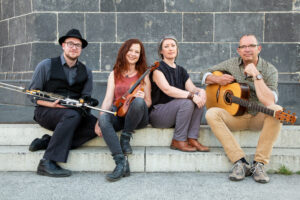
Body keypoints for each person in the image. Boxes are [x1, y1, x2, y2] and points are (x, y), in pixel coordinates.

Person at [203, 34, 282, 183]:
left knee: (277, 109)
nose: (247, 50)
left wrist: (256, 75)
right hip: (235, 117)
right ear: (238, 51)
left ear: (259, 48)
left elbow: (269, 101)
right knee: (211, 113)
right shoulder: (232, 64)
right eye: (243, 47)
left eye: (251, 46)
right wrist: (217, 79)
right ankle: (240, 162)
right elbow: (204, 74)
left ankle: (259, 164)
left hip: (258, 117)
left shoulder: (270, 70)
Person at [28, 29, 99, 177]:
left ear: (81, 49)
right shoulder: (46, 65)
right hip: (46, 111)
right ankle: (47, 162)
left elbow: (85, 96)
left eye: (78, 45)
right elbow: (32, 94)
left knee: (97, 125)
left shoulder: (86, 72)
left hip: (72, 113)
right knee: (71, 116)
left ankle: (49, 142)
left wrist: (86, 103)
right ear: (63, 46)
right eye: (70, 44)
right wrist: (51, 104)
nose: (74, 47)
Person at [95, 39, 151, 182]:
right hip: (119, 113)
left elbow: (148, 103)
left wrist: (143, 97)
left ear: (140, 55)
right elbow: (108, 100)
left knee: (138, 101)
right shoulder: (114, 74)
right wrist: (99, 120)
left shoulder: (144, 75)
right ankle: (121, 162)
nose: (133, 54)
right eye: (130, 50)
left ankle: (125, 137)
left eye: (137, 52)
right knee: (103, 118)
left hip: (137, 116)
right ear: (124, 52)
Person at [149, 35, 209, 152]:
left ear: (177, 49)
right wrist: (191, 96)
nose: (170, 49)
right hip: (159, 114)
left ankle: (192, 138)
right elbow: (167, 89)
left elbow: (191, 88)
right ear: (161, 51)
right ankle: (178, 140)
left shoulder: (181, 70)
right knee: (188, 102)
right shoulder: (157, 69)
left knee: (199, 99)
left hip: (177, 113)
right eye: (166, 46)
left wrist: (201, 91)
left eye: (173, 46)